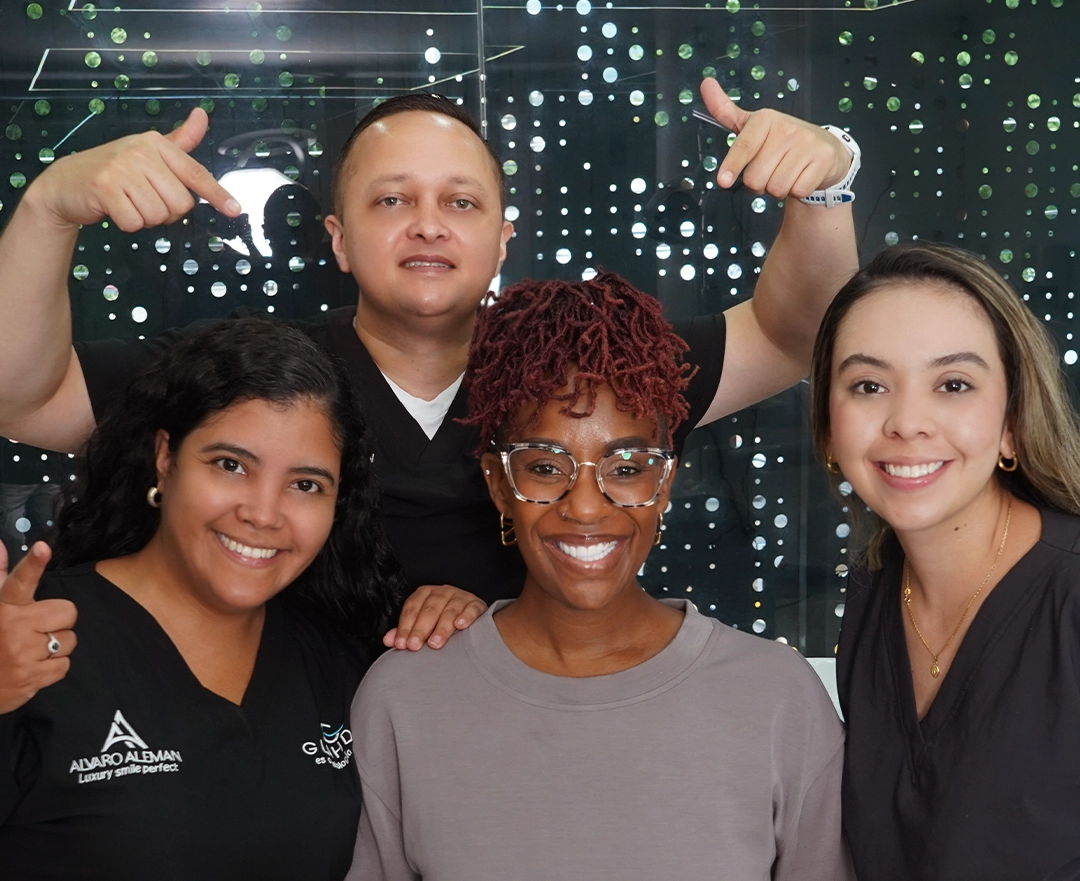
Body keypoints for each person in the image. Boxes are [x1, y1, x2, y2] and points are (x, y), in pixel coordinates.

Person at [309, 271, 885, 881]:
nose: (586, 506)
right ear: (498, 482)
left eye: (626, 464)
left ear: (666, 480)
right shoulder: (407, 701)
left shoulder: (774, 702)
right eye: (546, 466)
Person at [0, 84, 860, 651]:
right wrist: (49, 209)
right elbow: (23, 397)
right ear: (338, 239)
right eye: (391, 200)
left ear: (502, 238)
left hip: (504, 752)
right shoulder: (258, 378)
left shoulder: (583, 369)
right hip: (285, 764)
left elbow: (792, 338)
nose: (428, 224)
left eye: (460, 201)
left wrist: (827, 184)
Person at [0, 317, 400, 881]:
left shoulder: (343, 670)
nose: (263, 513)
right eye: (230, 465)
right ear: (163, 459)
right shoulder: (35, 641)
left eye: (306, 484)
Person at [813, 242, 1080, 881]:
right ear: (828, 428)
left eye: (954, 385)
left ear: (1013, 423)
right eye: (868, 386)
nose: (907, 423)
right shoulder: (875, 598)